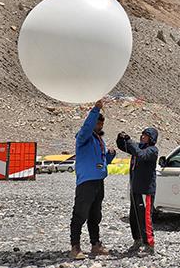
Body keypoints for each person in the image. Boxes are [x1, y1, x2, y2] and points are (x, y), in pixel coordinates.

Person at [70, 99, 116, 260]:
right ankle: (75, 246)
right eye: (97, 124)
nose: (99, 127)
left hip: (98, 181)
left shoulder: (99, 141)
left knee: (95, 215)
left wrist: (110, 155)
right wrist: (95, 110)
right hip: (86, 182)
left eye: (101, 125)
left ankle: (95, 244)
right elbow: (87, 127)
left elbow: (102, 162)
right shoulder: (83, 138)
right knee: (80, 214)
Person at [117, 127, 159, 254]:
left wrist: (130, 141)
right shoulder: (139, 147)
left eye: (145, 135)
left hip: (146, 191)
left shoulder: (152, 150)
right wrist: (121, 139)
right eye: (142, 134)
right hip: (135, 189)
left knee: (145, 218)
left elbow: (140, 155)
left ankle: (149, 245)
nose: (142, 137)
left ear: (151, 138)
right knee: (134, 217)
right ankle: (137, 240)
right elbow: (124, 147)